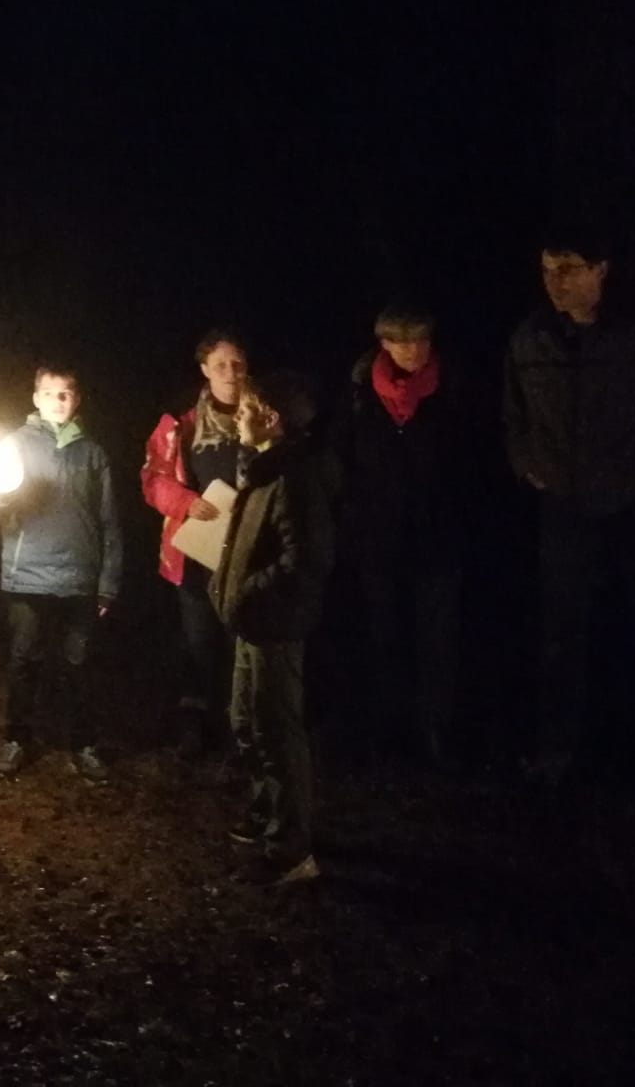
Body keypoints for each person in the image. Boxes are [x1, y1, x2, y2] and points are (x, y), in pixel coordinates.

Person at [504, 226, 635, 786]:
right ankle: (558, 750)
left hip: (628, 503)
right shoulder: (531, 339)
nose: (555, 281)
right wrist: (526, 464)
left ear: (601, 270)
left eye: (569, 268)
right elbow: (513, 415)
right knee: (561, 631)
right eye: (547, 269)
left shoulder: (629, 337)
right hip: (561, 503)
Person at [336, 306, 476, 766]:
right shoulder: (362, 392)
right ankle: (387, 731)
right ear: (385, 345)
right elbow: (348, 461)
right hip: (380, 538)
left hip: (437, 535)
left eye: (420, 340)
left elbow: (471, 460)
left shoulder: (453, 389)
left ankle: (437, 730)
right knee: (385, 636)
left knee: (438, 640)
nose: (413, 350)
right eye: (402, 341)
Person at [209, 373, 333, 886]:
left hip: (273, 625)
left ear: (272, 418)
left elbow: (305, 559)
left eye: (248, 408)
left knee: (278, 731)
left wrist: (248, 591)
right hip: (250, 622)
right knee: (247, 719)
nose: (239, 414)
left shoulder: (293, 476)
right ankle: (266, 816)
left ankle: (291, 850)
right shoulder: (262, 469)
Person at [0, 366, 123, 782]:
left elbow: (110, 523)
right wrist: (3, 493)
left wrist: (108, 583)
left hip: (80, 577)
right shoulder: (14, 445)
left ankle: (83, 743)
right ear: (36, 398)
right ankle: (18, 738)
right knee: (25, 660)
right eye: (50, 393)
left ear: (76, 401)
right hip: (28, 574)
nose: (58, 401)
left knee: (79, 664)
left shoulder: (93, 453)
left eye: (66, 394)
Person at [141, 330, 249, 758]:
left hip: (247, 556)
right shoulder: (182, 425)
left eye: (237, 364)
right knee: (198, 644)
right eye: (220, 365)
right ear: (204, 369)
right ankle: (195, 727)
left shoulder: (262, 418)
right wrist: (187, 502)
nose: (230, 373)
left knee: (242, 643)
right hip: (196, 556)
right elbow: (152, 478)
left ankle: (241, 728)